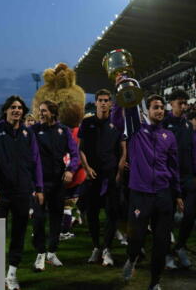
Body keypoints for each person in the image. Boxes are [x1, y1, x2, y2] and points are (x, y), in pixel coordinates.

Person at [111, 89, 183, 290]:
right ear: (148, 110)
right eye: (155, 107)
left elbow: (173, 167)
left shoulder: (168, 136)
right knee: (136, 237)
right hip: (140, 195)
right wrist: (122, 93)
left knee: (162, 243)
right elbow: (117, 120)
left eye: (162, 107)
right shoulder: (136, 131)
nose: (160, 110)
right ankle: (132, 258)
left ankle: (155, 282)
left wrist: (177, 194)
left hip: (163, 195)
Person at [0, 95, 44, 290]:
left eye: (19, 108)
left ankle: (11, 275)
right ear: (6, 110)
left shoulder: (28, 133)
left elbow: (36, 161)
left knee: (18, 233)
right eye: (13, 107)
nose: (17, 110)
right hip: (0, 192)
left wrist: (39, 188)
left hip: (23, 192)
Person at [78, 89, 126, 266]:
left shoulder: (117, 124)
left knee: (112, 213)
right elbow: (80, 148)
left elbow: (123, 148)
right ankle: (96, 247)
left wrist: (120, 170)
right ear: (96, 102)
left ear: (111, 103)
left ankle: (107, 249)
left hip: (111, 176)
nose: (104, 103)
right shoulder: (87, 123)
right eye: (100, 100)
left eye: (107, 100)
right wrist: (87, 167)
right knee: (92, 213)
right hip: (92, 175)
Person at [31, 100, 79, 271]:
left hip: (58, 183)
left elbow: (75, 154)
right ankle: (40, 253)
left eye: (44, 111)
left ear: (52, 112)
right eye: (40, 111)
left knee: (56, 219)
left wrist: (70, 170)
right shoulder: (34, 130)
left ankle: (51, 252)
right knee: (38, 219)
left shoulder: (64, 131)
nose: (41, 113)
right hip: (40, 184)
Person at [163, 89, 196, 269]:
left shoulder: (188, 125)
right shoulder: (163, 122)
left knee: (191, 214)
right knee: (167, 218)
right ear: (171, 103)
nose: (183, 106)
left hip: (187, 177)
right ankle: (167, 253)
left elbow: (191, 151)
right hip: (169, 178)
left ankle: (180, 246)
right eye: (180, 103)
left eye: (185, 103)